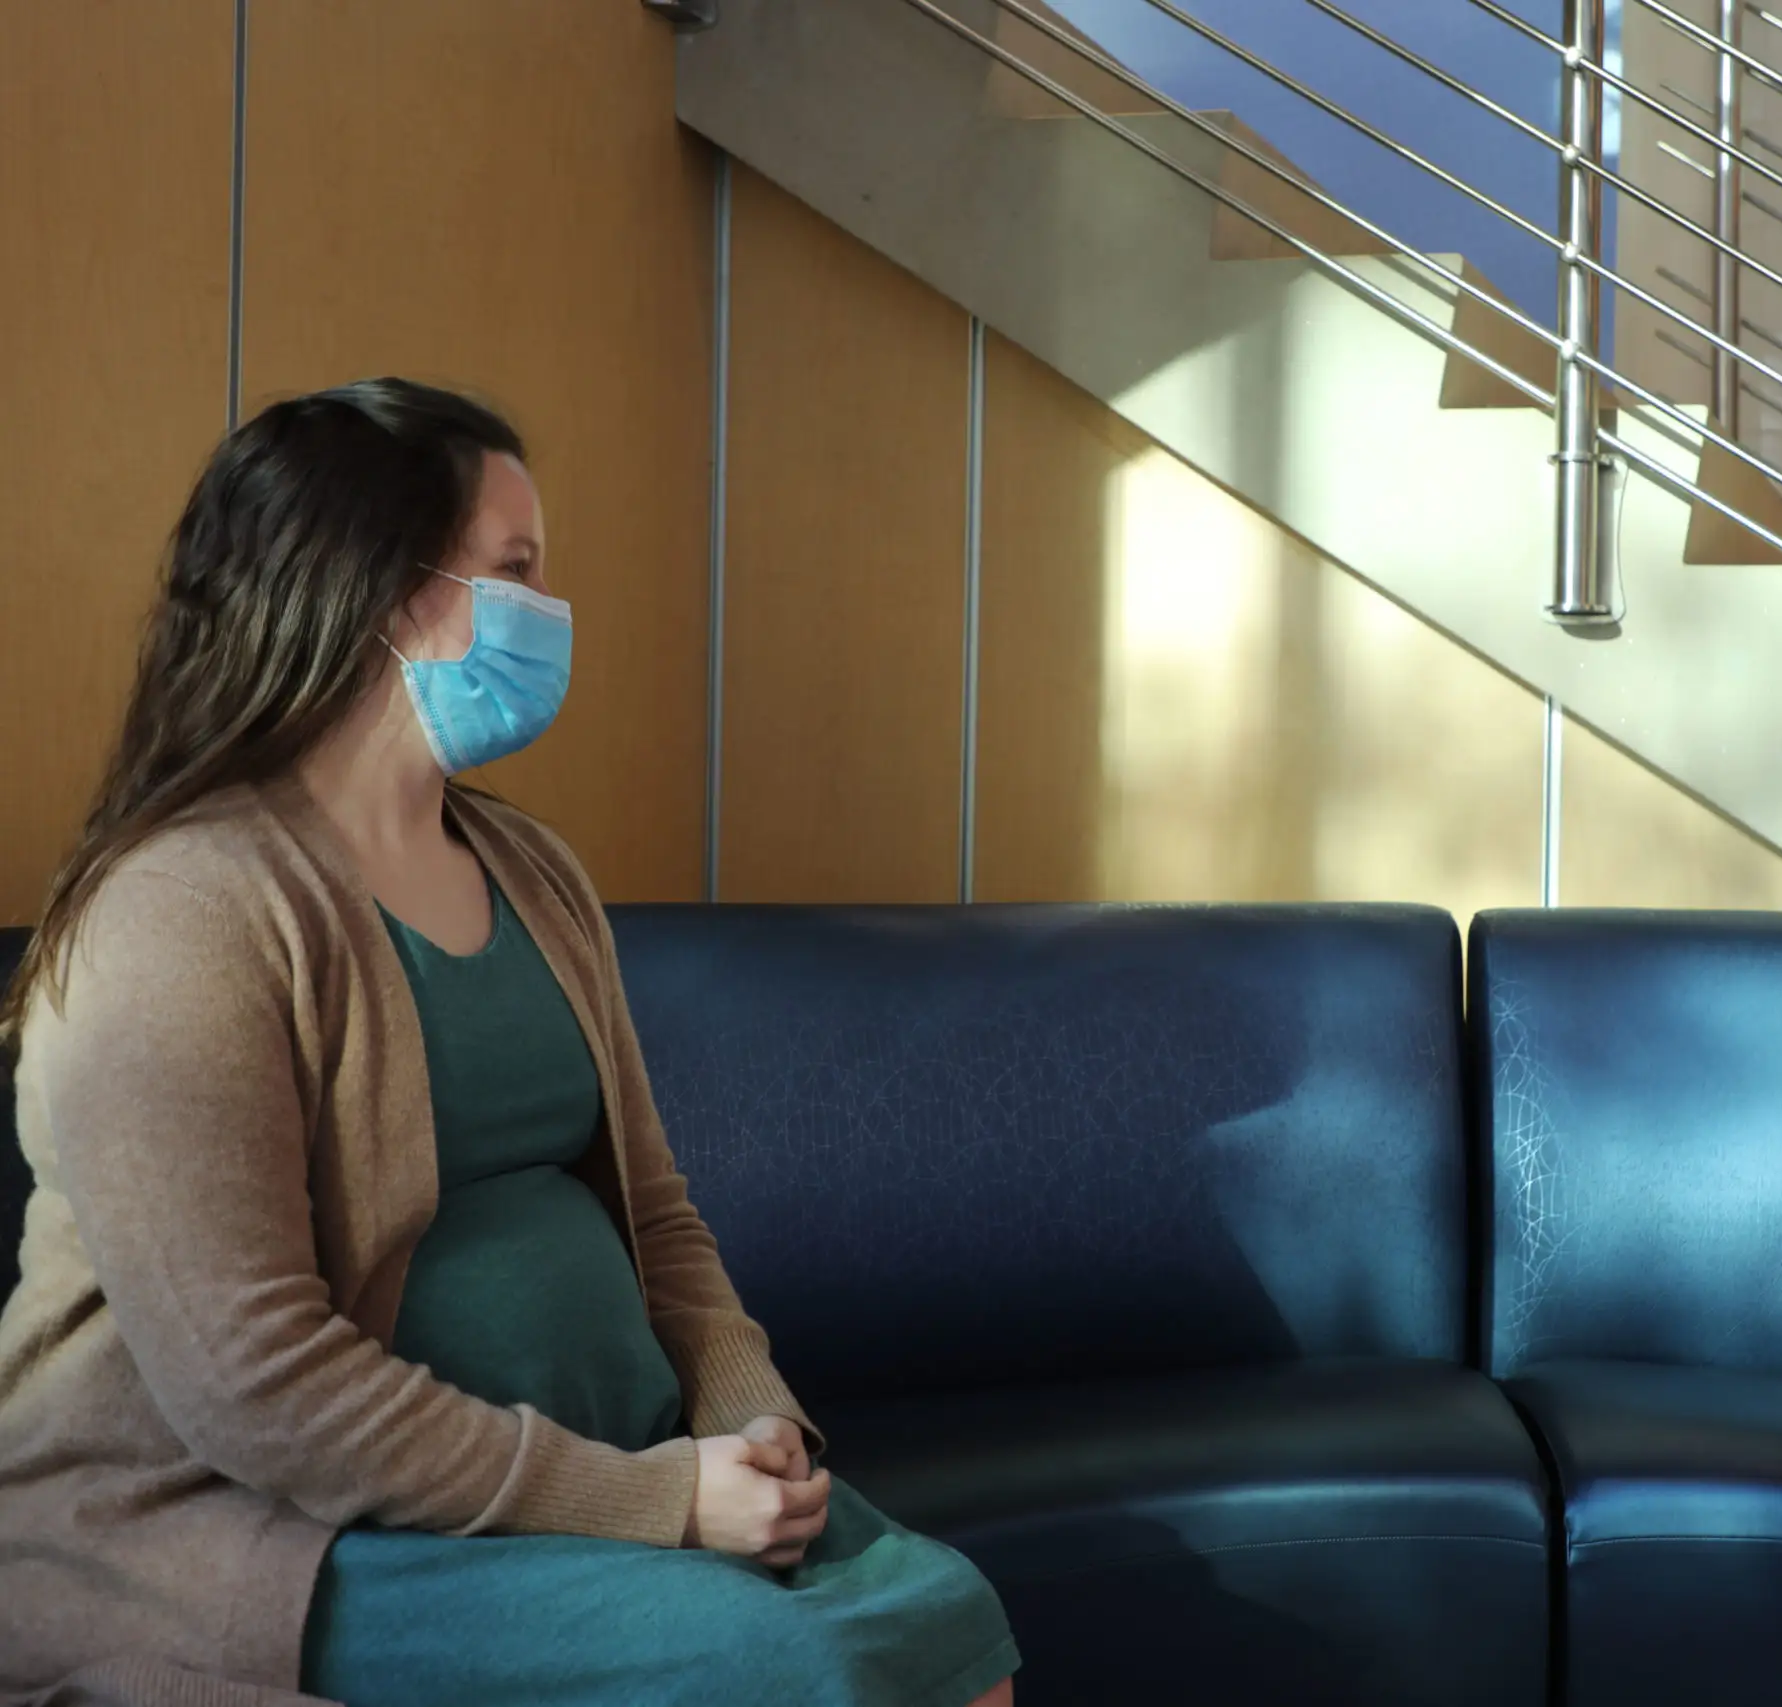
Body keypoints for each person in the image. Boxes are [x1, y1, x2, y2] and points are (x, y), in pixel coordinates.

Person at [0, 380, 1021, 1707]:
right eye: (516, 569)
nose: (550, 609)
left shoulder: (531, 866)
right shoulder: (178, 916)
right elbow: (256, 1386)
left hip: (623, 1472)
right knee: (820, 1661)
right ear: (382, 592)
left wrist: (746, 1412)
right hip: (279, 1532)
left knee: (946, 1611)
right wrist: (655, 1500)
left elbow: (655, 1214)